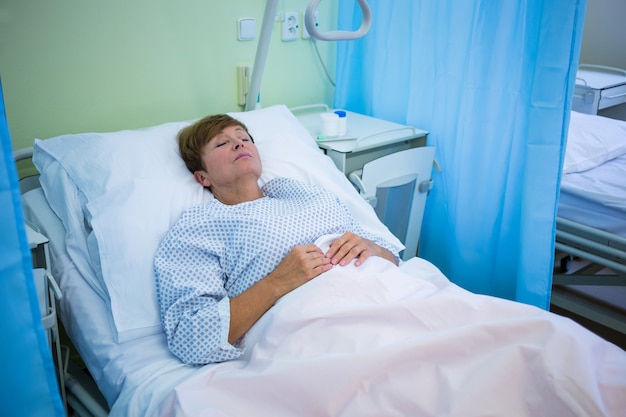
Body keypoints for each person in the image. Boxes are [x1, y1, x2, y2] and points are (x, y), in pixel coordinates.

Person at [154, 114, 400, 365]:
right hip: (321, 328)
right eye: (221, 143)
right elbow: (189, 337)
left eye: (244, 138)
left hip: (388, 295)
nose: (239, 144)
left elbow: (392, 257)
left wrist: (373, 247)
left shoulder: (303, 192)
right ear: (202, 177)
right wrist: (277, 283)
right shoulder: (198, 228)